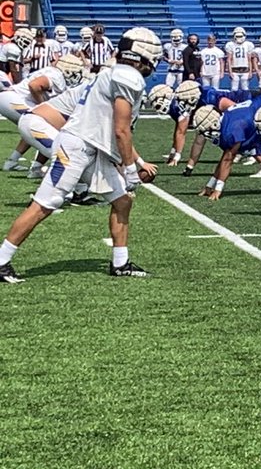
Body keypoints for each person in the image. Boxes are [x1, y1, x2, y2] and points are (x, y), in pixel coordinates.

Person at [0, 29, 161, 283]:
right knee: (44, 205)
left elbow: (113, 128)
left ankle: (120, 263)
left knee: (122, 201)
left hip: (92, 147)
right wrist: (131, 171)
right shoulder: (128, 76)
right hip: (77, 147)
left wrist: (131, 163)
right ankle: (1, 261)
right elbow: (121, 130)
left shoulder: (110, 73)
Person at [225, 27, 254, 93]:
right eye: (237, 36)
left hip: (245, 69)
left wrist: (250, 71)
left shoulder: (248, 45)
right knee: (234, 88)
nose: (239, 38)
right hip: (234, 69)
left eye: (240, 36)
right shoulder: (230, 45)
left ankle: (245, 99)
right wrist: (230, 71)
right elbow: (229, 59)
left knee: (245, 88)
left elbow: (249, 60)